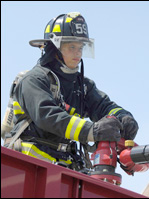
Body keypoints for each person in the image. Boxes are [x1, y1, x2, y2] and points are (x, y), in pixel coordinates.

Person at [9, 12, 139, 170]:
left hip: (64, 166)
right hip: (26, 168)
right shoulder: (33, 80)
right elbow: (48, 117)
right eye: (71, 47)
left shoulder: (82, 86)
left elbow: (103, 106)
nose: (78, 53)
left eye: (81, 47)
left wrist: (124, 117)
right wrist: (92, 130)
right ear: (54, 47)